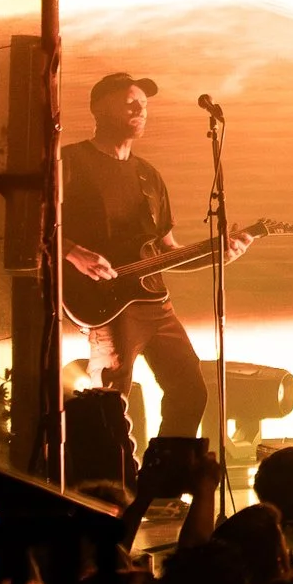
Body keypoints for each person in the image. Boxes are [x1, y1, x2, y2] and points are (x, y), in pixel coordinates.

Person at [60, 72, 250, 435]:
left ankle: (162, 482)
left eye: (144, 105)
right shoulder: (70, 162)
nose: (140, 109)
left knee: (191, 392)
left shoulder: (148, 176)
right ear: (99, 108)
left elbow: (168, 251)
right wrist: (73, 252)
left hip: (155, 304)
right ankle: (110, 485)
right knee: (108, 401)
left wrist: (219, 255)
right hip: (107, 305)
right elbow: (34, 226)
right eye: (130, 102)